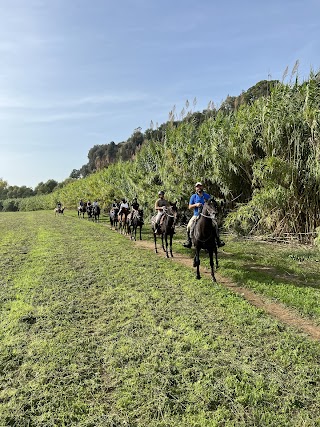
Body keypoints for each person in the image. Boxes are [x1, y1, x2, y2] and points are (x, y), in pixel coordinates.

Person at [182, 182, 225, 248]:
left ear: (202, 187)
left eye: (200, 186)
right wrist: (196, 204)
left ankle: (218, 240)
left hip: (207, 216)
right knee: (189, 226)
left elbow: (211, 204)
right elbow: (189, 206)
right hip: (196, 215)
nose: (199, 188)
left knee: (215, 225)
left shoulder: (207, 196)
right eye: (197, 186)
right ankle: (189, 241)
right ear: (195, 188)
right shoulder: (193, 196)